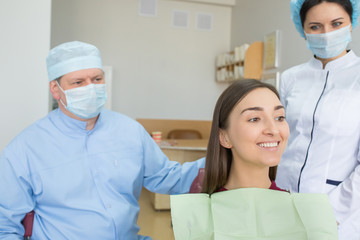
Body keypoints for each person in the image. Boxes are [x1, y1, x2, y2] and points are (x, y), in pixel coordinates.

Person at [0, 41, 204, 239]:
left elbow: (166, 176)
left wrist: (223, 163)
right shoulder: (25, 149)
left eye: (97, 79)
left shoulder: (129, 131)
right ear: (55, 89)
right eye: (78, 82)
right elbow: (5, 226)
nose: (90, 88)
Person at [276, 0, 360, 239]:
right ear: (303, 30)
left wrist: (332, 210)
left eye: (336, 24)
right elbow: (281, 139)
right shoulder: (291, 78)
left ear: (351, 24)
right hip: (284, 201)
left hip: (338, 213)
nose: (326, 34)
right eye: (315, 27)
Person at [190, 79, 289, 194]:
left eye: (279, 117)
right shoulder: (200, 206)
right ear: (224, 137)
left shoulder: (296, 208)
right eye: (254, 119)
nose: (273, 130)